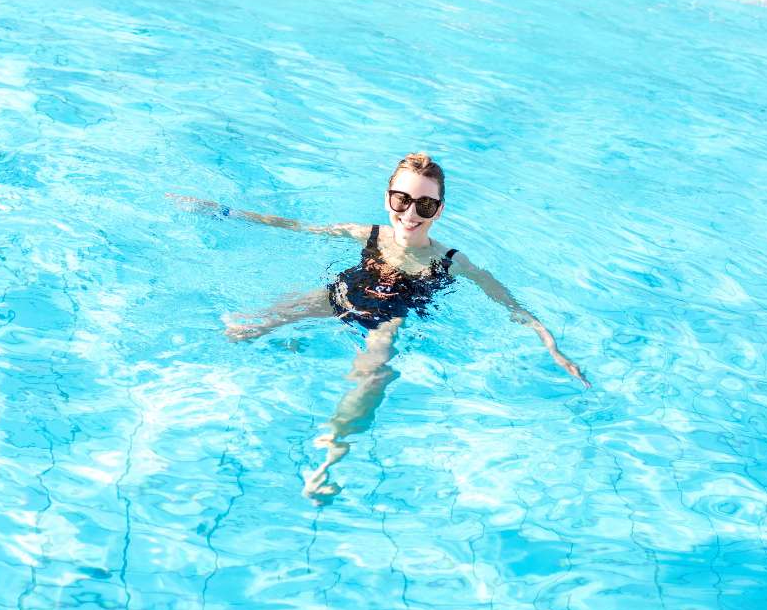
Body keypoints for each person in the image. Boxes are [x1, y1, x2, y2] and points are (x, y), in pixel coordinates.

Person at [169, 152, 589, 502]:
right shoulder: (367, 234)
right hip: (340, 295)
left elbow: (511, 304)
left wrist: (552, 347)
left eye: (424, 205)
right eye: (402, 200)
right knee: (246, 327)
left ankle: (330, 454)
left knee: (372, 375)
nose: (410, 213)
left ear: (438, 210)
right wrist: (222, 212)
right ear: (388, 198)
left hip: (389, 318)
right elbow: (292, 227)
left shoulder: (452, 261)